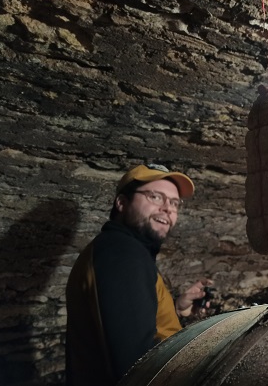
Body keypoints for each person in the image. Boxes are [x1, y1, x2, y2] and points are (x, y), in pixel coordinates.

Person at [65, 164, 213, 386]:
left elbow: (130, 321)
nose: (168, 208)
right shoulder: (122, 254)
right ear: (122, 203)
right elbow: (135, 368)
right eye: (155, 197)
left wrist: (176, 308)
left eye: (174, 203)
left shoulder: (122, 250)